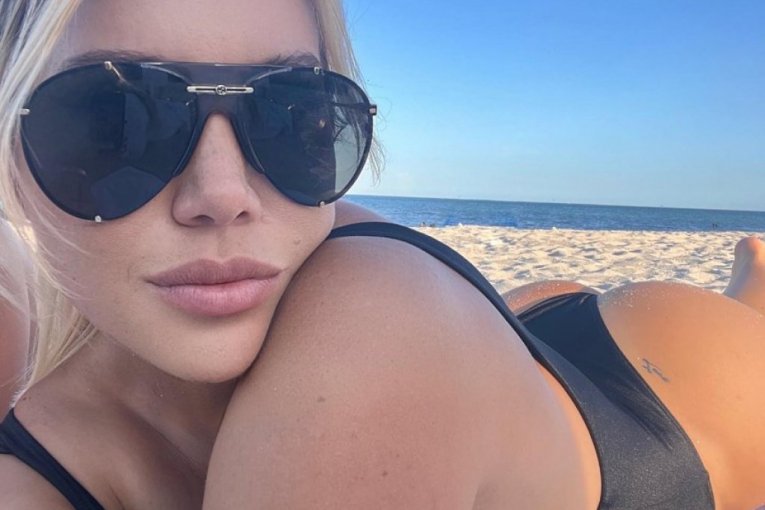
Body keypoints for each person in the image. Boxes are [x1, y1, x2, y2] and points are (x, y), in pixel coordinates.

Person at [0, 1, 763, 509]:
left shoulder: (366, 331)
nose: (224, 194)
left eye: (295, 117)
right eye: (110, 125)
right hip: (498, 364)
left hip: (664, 395)